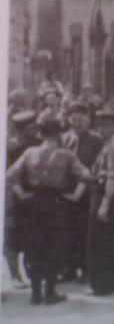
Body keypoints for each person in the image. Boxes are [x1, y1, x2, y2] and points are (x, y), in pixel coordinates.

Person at [6, 117, 92, 304]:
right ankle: (50, 292)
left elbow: (10, 175)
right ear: (58, 134)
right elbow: (86, 175)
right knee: (54, 246)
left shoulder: (30, 152)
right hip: (56, 203)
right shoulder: (66, 155)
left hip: (34, 204)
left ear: (41, 134)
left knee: (34, 247)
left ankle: (36, 293)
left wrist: (21, 194)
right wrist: (76, 195)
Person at [85, 109, 114, 296]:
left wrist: (105, 204)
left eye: (107, 125)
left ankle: (102, 285)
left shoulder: (113, 147)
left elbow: (112, 177)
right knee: (111, 238)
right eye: (100, 125)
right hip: (105, 192)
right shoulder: (108, 144)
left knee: (99, 241)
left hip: (106, 193)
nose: (102, 129)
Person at [61, 102, 104, 283]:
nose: (77, 123)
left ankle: (87, 269)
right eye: (73, 119)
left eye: (81, 119)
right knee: (68, 231)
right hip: (67, 192)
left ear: (88, 120)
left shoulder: (96, 140)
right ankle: (69, 268)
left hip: (88, 192)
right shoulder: (64, 139)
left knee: (87, 231)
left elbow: (97, 167)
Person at [4, 110, 40, 289]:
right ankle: (14, 275)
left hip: (32, 196)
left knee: (31, 234)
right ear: (21, 130)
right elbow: (8, 175)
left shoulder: (37, 144)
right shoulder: (10, 148)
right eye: (30, 127)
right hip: (13, 198)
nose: (34, 130)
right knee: (11, 237)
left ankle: (30, 271)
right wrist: (20, 193)